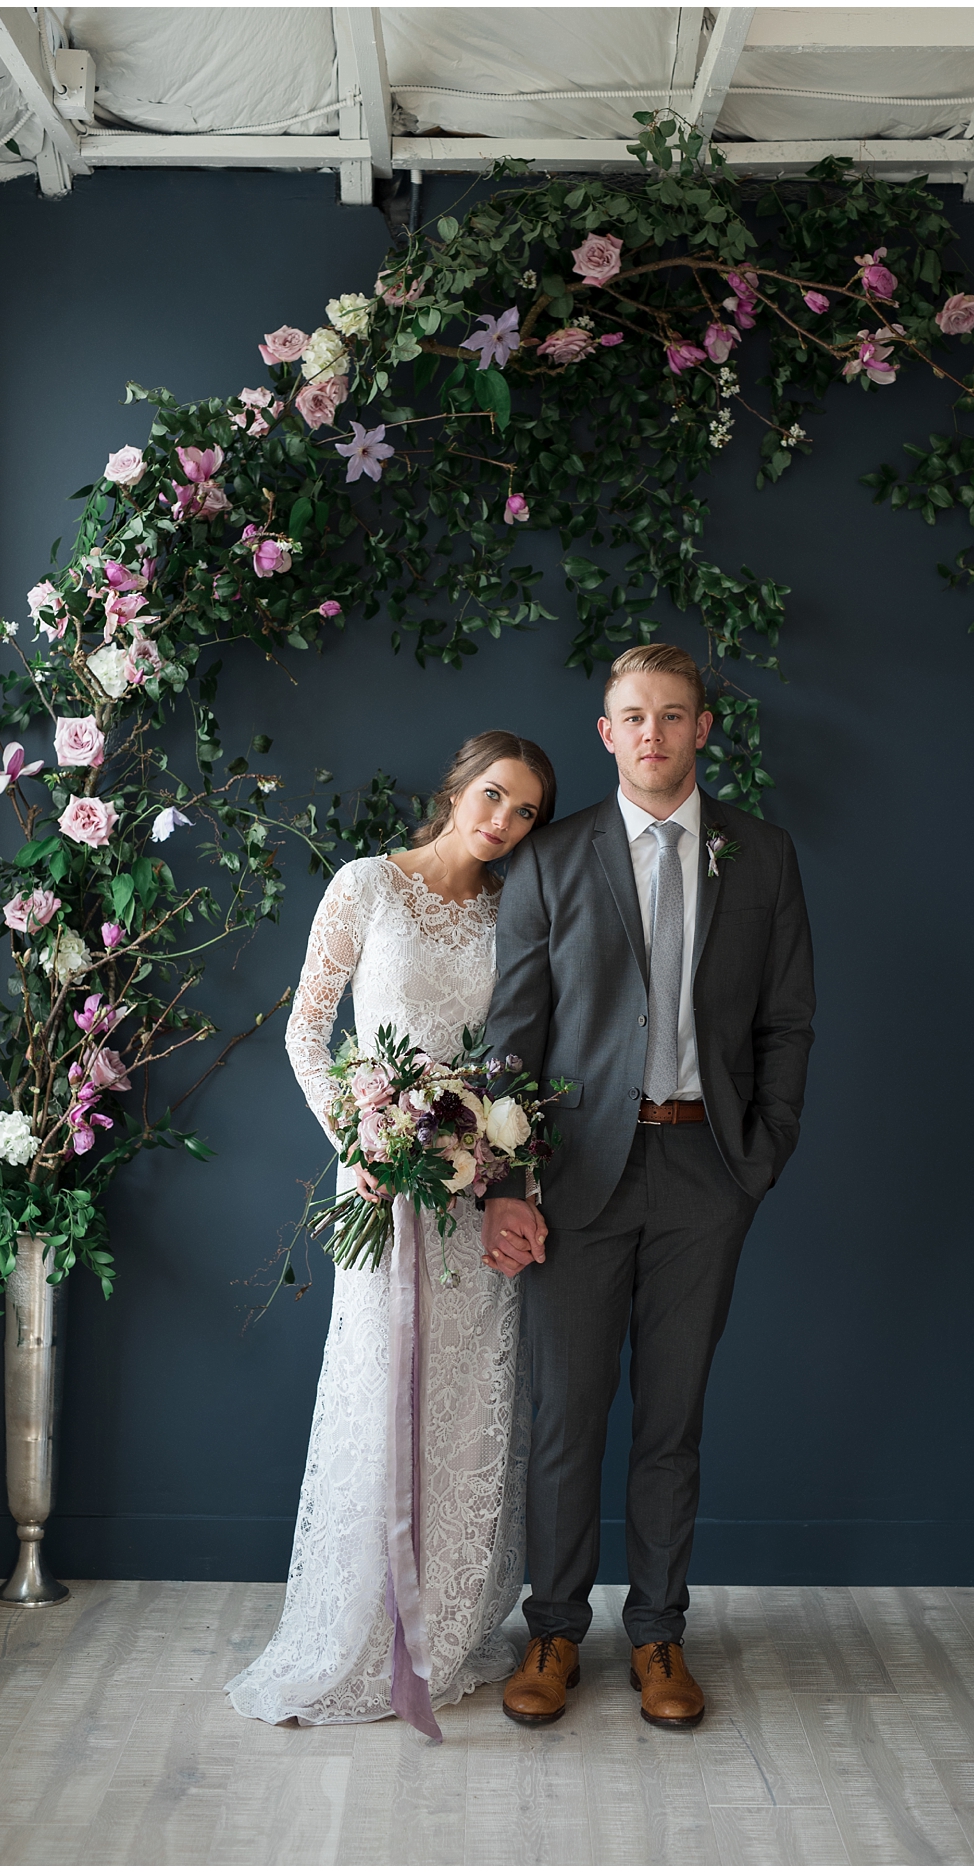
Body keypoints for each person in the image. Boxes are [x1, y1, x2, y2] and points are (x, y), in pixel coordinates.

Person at [481, 642, 816, 1730]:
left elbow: (785, 1021)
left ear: (702, 729)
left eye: (674, 715)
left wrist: (754, 1160)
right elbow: (510, 1042)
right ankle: (553, 1630)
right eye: (634, 715)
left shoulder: (760, 856)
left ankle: (660, 1633)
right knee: (565, 1415)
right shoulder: (549, 859)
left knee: (672, 1418)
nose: (654, 734)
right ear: (605, 732)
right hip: (574, 1174)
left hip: (703, 1172)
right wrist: (503, 1184)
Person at [227, 731, 556, 1734]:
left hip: (476, 1183)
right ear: (457, 787)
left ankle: (446, 1629)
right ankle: (362, 1631)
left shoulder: (518, 908)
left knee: (470, 1398)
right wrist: (362, 1141)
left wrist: (507, 1169)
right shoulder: (368, 884)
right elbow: (305, 1029)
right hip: (382, 1182)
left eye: (525, 812)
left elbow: (523, 1056)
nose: (501, 820)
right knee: (382, 1389)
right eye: (492, 795)